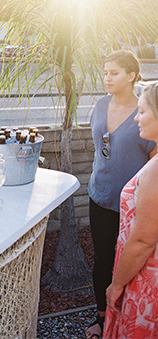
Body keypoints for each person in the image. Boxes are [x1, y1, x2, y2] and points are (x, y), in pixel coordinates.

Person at [86, 50, 156, 339]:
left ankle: (129, 317)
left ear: (131, 75)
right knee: (103, 260)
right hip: (99, 196)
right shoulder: (101, 104)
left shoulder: (149, 108)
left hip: (136, 208)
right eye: (105, 72)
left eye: (114, 73)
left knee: (131, 261)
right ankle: (103, 320)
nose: (107, 78)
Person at [104, 81, 158, 338]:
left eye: (142, 111)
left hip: (146, 275)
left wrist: (116, 285)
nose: (135, 118)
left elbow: (142, 241)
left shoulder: (156, 172)